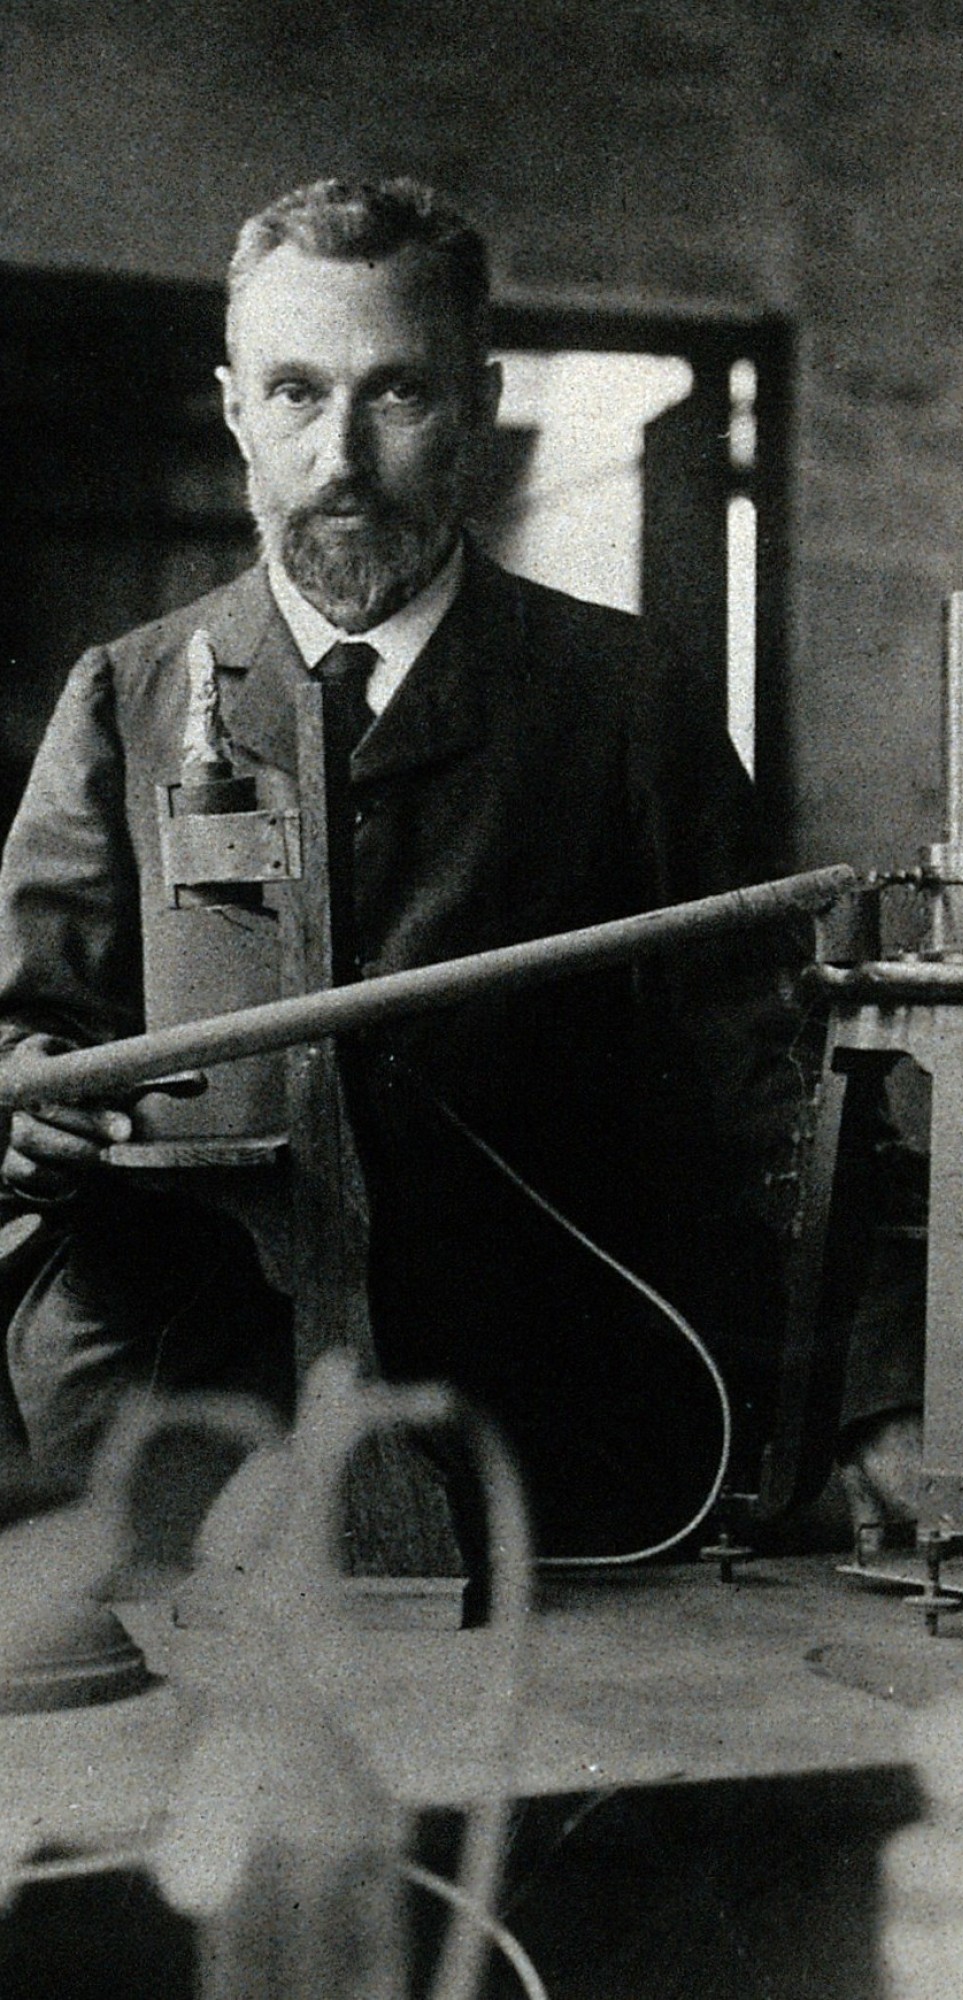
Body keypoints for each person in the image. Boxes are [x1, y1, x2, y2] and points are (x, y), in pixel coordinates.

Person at [0, 179, 800, 1555]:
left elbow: (766, 1099)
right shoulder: (124, 699)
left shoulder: (623, 700)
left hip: (553, 1460)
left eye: (399, 394)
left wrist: (877, 1401)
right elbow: (33, 1034)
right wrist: (24, 1096)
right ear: (238, 407)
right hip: (187, 1450)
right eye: (298, 393)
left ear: (479, 402)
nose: (341, 458)